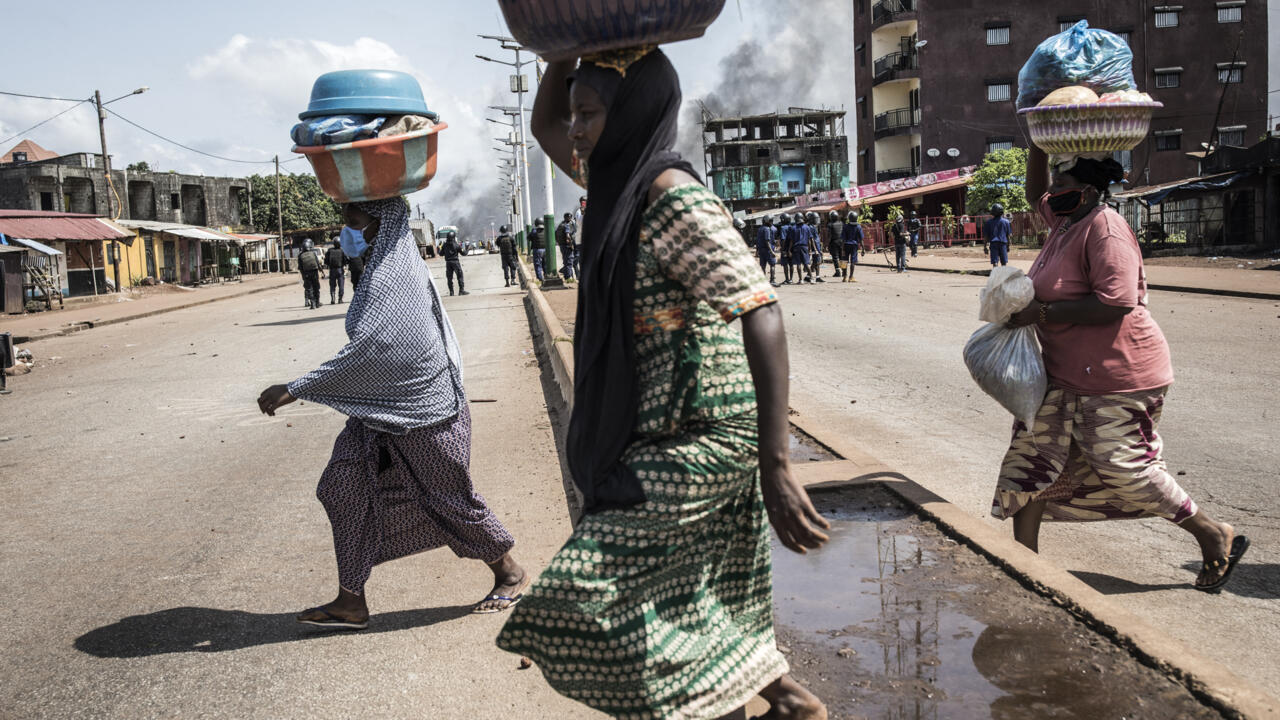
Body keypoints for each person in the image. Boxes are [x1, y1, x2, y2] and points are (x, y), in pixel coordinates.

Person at [500, 48, 831, 720]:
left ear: (631, 112)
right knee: (682, 594)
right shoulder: (614, 179)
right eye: (575, 115)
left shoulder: (670, 196)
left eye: (590, 114)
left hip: (708, 434)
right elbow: (543, 127)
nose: (576, 130)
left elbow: (761, 307)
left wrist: (777, 463)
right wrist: (560, 52)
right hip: (660, 426)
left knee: (582, 590)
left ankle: (760, 696)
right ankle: (784, 700)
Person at [256, 199, 529, 629]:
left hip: (425, 413)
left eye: (353, 220)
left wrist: (296, 388)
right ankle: (351, 600)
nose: (347, 230)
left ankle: (509, 572)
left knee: (447, 500)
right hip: (380, 411)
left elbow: (375, 350)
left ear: (380, 223)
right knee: (342, 487)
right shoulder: (381, 264)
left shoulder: (393, 273)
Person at [999, 146, 1248, 593]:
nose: (1052, 192)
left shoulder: (1105, 228)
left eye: (1062, 184)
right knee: (1030, 462)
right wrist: (1037, 145)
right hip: (1062, 375)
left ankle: (1212, 532)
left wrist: (1041, 313)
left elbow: (1115, 303)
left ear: (1090, 190)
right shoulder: (1065, 221)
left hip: (1118, 375)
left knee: (1124, 468)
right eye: (1054, 183)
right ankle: (1025, 568)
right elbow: (1035, 193)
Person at [439, 230, 468, 296]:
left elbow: (440, 254)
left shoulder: (444, 245)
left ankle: (451, 292)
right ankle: (461, 291)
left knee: (449, 278)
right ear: (454, 237)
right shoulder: (456, 245)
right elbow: (463, 253)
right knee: (460, 276)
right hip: (455, 262)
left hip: (448, 263)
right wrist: (467, 249)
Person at [297, 238, 324, 309]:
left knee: (309, 289)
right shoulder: (313, 253)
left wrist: (303, 276)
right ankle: (317, 303)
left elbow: (300, 267)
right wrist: (322, 271)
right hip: (314, 273)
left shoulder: (300, 255)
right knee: (316, 288)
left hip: (306, 274)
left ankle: (312, 304)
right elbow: (318, 264)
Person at [984, 203, 1012, 267]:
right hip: (1003, 243)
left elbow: (986, 236)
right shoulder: (1006, 222)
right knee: (1004, 263)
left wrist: (985, 247)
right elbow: (1008, 235)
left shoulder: (988, 222)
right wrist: (1008, 246)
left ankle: (996, 272)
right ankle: (1003, 273)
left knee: (995, 262)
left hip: (993, 244)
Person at [755, 214, 779, 286]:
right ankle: (772, 280)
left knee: (763, 266)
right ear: (767, 221)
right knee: (772, 265)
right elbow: (767, 241)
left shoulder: (760, 229)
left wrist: (757, 251)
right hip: (768, 250)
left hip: (761, 250)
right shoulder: (767, 229)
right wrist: (772, 251)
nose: (772, 222)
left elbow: (757, 241)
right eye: (771, 221)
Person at [324, 237, 347, 304]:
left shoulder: (330, 250)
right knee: (341, 285)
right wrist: (343, 265)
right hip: (340, 270)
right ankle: (340, 299)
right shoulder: (342, 251)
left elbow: (326, 261)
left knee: (332, 285)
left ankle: (333, 299)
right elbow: (345, 260)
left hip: (332, 270)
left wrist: (329, 265)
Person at [842, 211, 862, 283]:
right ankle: (851, 277)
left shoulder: (845, 226)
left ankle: (844, 276)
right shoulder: (858, 227)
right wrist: (863, 249)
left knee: (844, 261)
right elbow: (861, 239)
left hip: (846, 245)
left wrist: (842, 249)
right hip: (854, 245)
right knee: (853, 261)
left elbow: (843, 239)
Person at [556, 211, 577, 279]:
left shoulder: (561, 225)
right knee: (569, 262)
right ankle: (568, 277)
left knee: (565, 260)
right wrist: (571, 245)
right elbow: (568, 236)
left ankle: (566, 275)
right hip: (567, 246)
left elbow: (556, 234)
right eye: (570, 218)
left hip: (562, 245)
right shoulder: (567, 225)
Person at [806, 211, 824, 282]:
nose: (817, 220)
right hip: (814, 247)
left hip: (817, 245)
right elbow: (811, 239)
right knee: (817, 261)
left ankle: (808, 276)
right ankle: (817, 277)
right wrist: (815, 249)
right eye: (815, 219)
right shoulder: (810, 227)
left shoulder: (815, 226)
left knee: (816, 262)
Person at [825, 211, 844, 279]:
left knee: (835, 257)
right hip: (841, 241)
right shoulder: (841, 223)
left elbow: (829, 235)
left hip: (834, 242)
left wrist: (827, 244)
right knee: (842, 257)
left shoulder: (830, 224)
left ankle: (838, 271)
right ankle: (844, 271)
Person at [777, 212, 794, 284]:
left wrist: (782, 248)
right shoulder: (792, 227)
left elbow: (783, 239)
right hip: (791, 248)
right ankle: (791, 279)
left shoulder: (783, 228)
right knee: (791, 264)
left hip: (785, 248)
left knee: (785, 264)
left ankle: (787, 279)